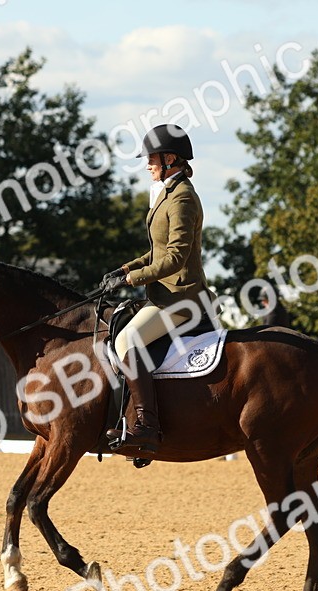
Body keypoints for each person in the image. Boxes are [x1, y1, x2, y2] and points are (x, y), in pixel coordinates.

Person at [101, 124, 216, 453]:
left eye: (151, 158)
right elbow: (157, 252)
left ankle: (147, 425)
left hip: (182, 298)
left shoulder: (182, 199)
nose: (147, 164)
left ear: (169, 159)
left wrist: (132, 280)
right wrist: (124, 269)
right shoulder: (166, 194)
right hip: (164, 295)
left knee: (128, 340)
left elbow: (176, 258)